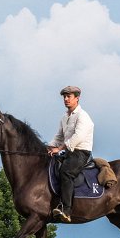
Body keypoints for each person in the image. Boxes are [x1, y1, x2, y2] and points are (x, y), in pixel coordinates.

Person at [47, 86, 94, 223]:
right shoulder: (64, 117)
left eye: (69, 97)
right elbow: (59, 136)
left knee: (66, 172)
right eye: (64, 97)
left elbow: (77, 137)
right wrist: (49, 147)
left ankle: (66, 210)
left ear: (77, 98)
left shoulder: (83, 116)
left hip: (80, 153)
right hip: (68, 152)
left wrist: (60, 148)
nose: (66, 99)